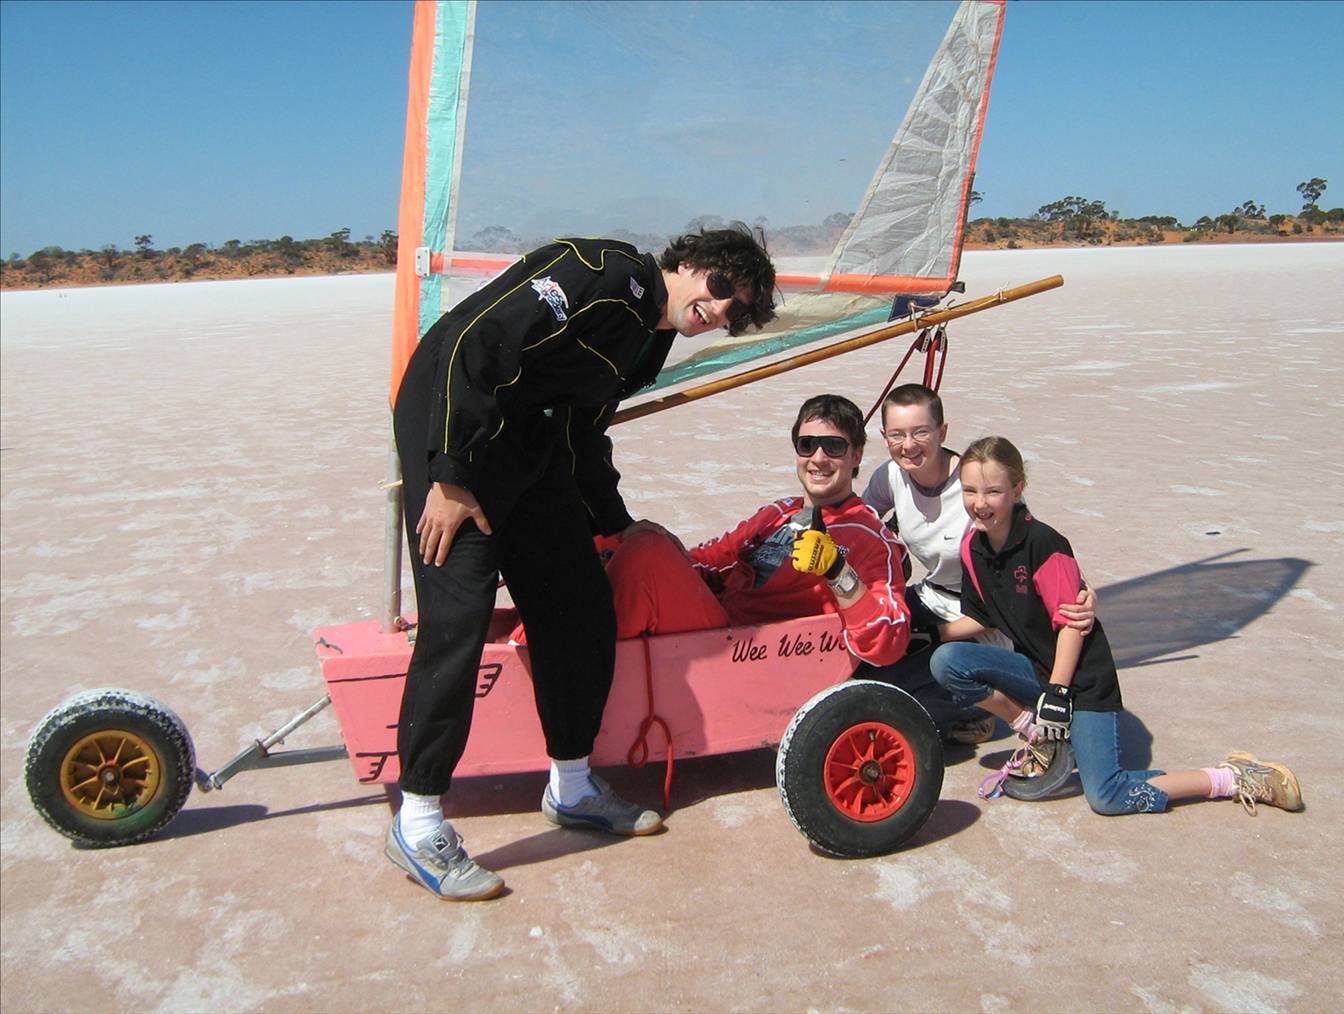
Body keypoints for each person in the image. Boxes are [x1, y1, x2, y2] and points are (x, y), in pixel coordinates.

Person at [387, 226, 777, 900]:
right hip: (453, 421)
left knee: (579, 603)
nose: (720, 311)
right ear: (688, 263)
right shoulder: (601, 272)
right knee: (458, 615)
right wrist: (449, 475)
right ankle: (417, 821)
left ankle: (571, 786)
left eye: (736, 311)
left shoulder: (647, 339)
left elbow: (580, 429)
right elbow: (477, 341)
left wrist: (611, 523)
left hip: (527, 446)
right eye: (720, 288)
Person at [929, 436, 1303, 816]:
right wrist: (929, 634)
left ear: (1017, 489)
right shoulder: (973, 547)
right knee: (948, 660)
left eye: (993, 491)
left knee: (1107, 796)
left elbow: (1072, 624)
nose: (980, 503)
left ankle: (1233, 777)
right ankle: (1036, 732)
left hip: (1081, 680)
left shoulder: (1044, 544)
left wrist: (1058, 695)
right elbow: (984, 617)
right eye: (970, 490)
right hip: (1036, 670)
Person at [594, 394, 913, 667]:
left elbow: (889, 641)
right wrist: (652, 542)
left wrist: (837, 571)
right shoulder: (779, 511)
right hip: (717, 625)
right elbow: (711, 562)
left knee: (646, 552)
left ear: (856, 455)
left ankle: (595, 672)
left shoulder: (868, 537)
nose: (818, 458)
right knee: (611, 542)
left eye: (833, 447)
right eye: (807, 445)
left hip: (750, 656)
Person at [859, 384, 1098, 745]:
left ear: (942, 432)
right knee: (860, 654)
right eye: (897, 434)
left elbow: (1031, 547)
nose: (908, 445)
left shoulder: (975, 485)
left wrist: (1085, 591)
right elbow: (858, 525)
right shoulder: (891, 476)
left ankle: (984, 710)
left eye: (921, 432)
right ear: (884, 437)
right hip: (931, 596)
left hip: (982, 618)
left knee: (898, 693)